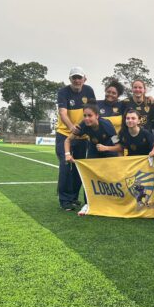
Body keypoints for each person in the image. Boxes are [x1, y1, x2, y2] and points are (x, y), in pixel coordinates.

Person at [55, 67, 95, 211]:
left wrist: (85, 129)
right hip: (64, 134)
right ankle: (64, 200)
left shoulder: (89, 91)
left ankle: (73, 198)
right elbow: (63, 113)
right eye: (74, 78)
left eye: (79, 77)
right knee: (66, 166)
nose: (77, 80)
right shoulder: (63, 92)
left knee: (78, 167)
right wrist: (72, 127)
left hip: (82, 137)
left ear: (85, 78)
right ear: (70, 79)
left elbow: (93, 111)